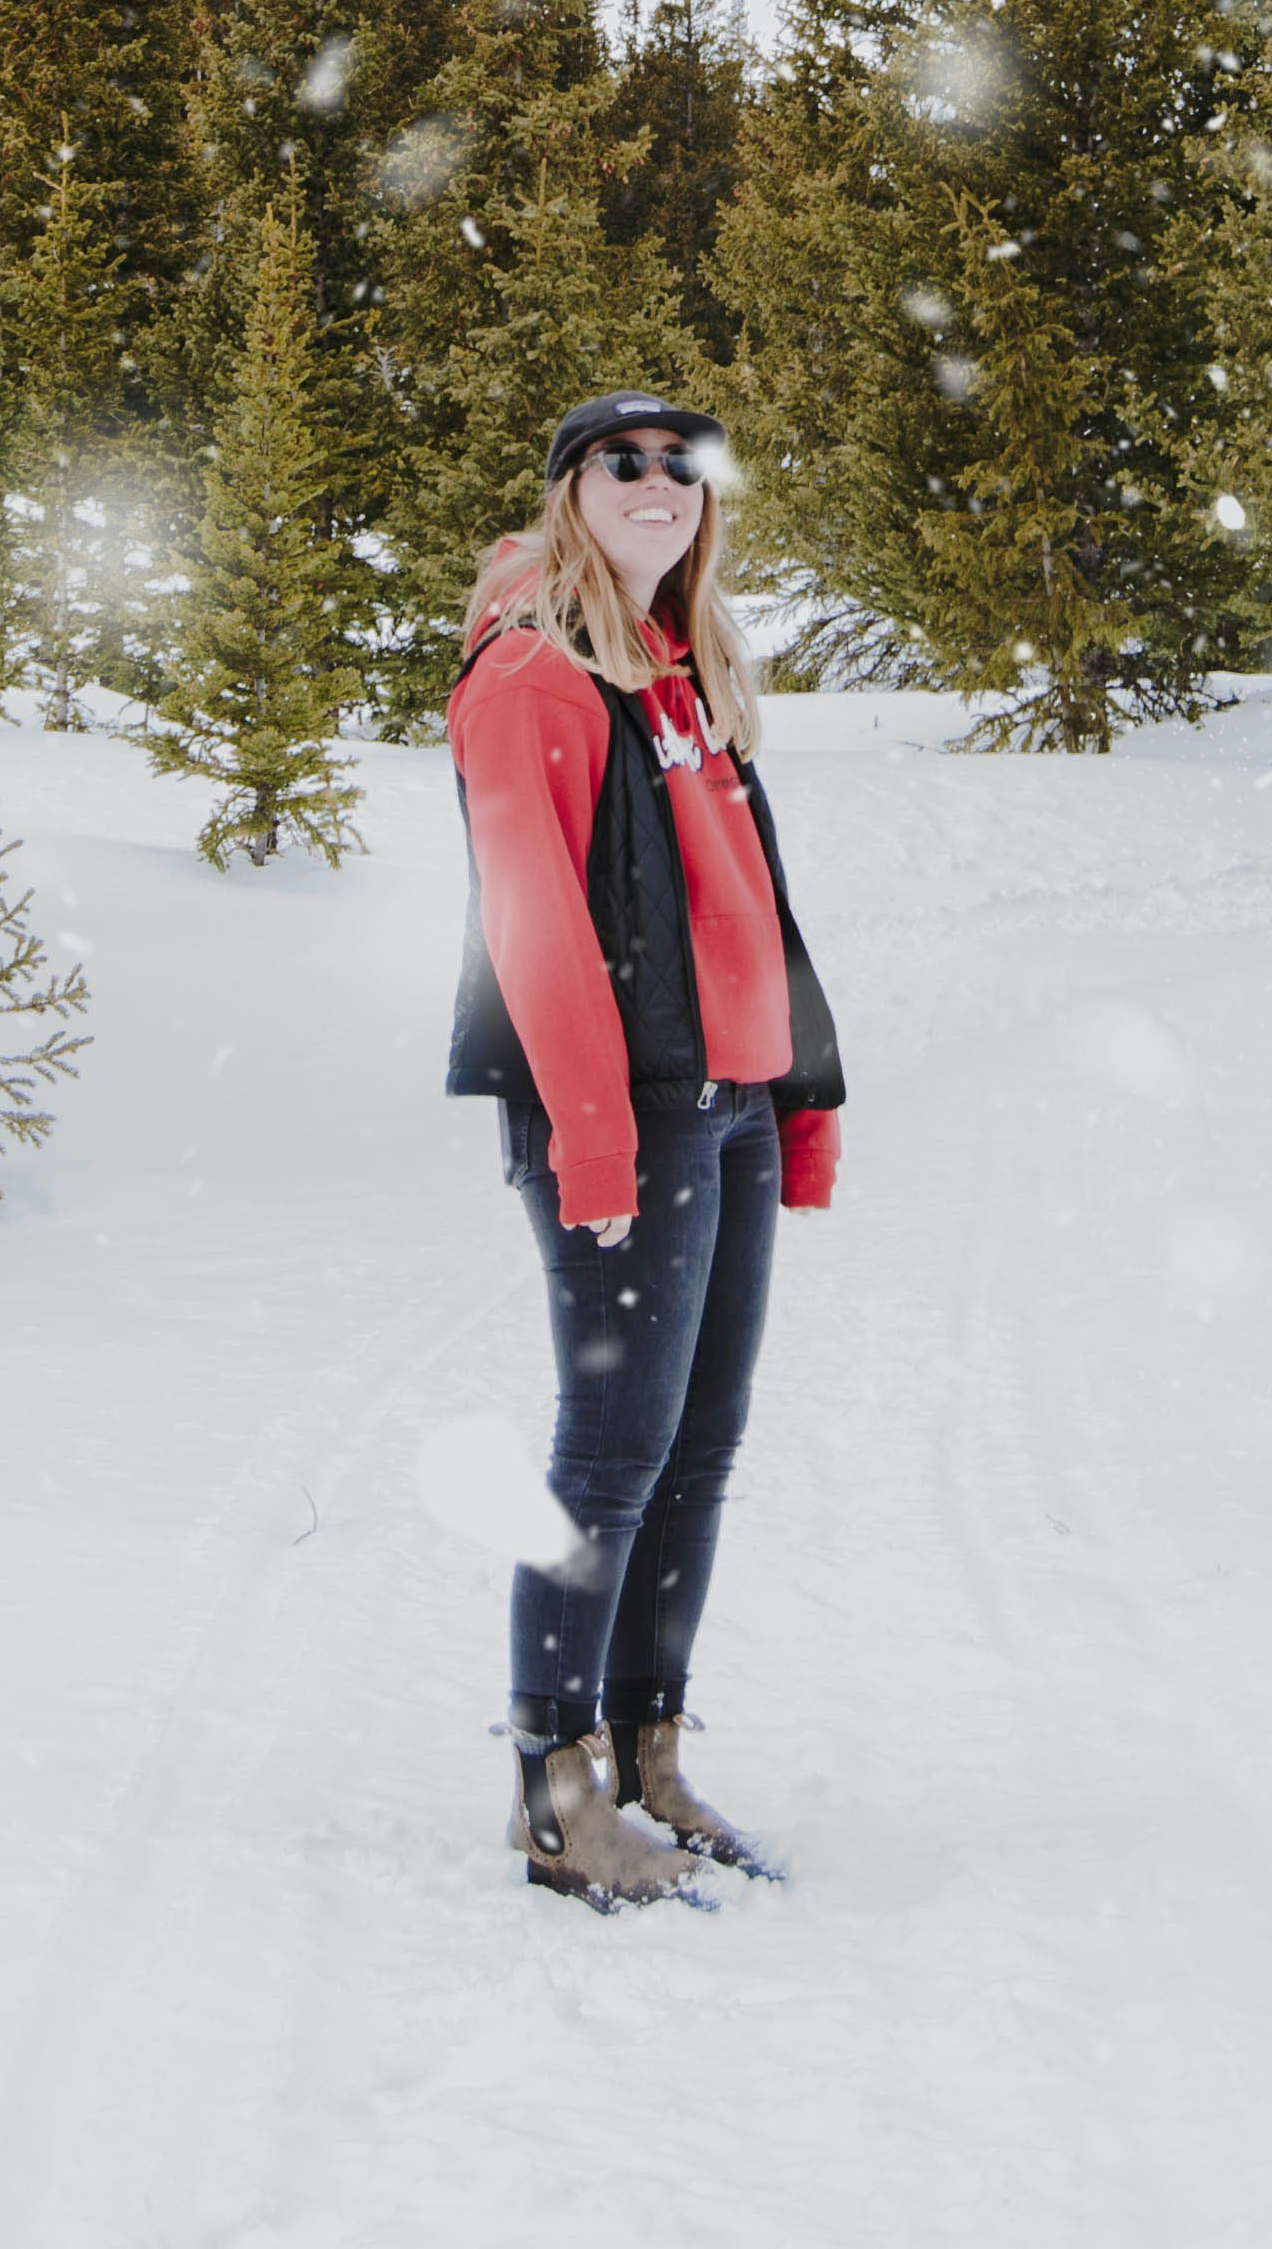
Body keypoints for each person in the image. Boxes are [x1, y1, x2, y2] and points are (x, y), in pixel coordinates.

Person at [443, 389, 846, 1911]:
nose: (657, 484)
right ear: (571, 491)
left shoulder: (680, 668)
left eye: (683, 466)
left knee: (697, 1453)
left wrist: (797, 1096)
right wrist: (596, 1147)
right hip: (627, 1111)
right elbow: (531, 920)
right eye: (623, 463)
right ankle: (557, 1796)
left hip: (726, 1104)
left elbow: (754, 906)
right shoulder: (537, 671)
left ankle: (646, 1756)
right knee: (610, 1457)